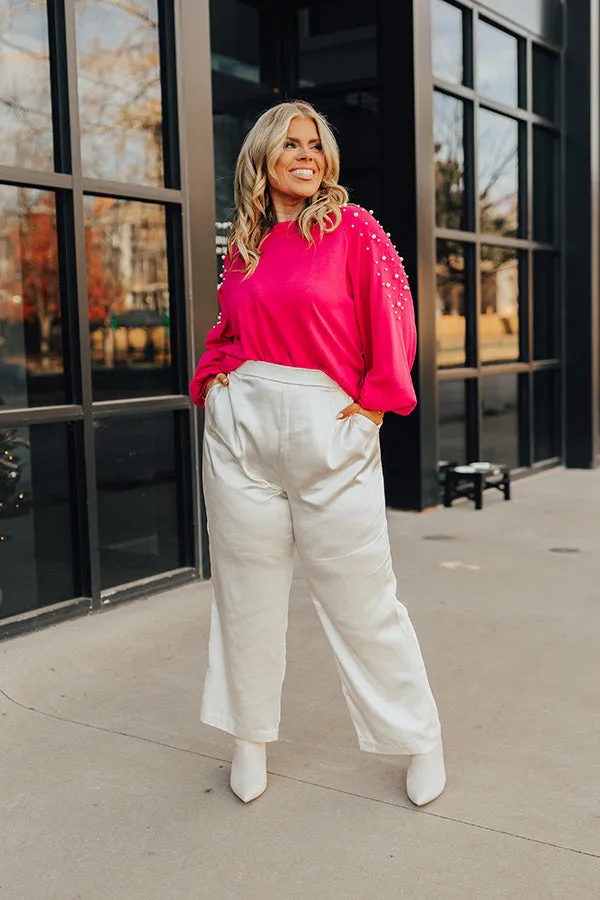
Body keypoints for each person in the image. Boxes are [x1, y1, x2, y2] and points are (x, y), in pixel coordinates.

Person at [190, 101, 445, 806]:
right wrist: (214, 388)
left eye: (316, 145)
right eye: (291, 144)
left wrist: (374, 409)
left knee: (363, 598)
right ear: (264, 157)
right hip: (243, 431)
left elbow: (395, 318)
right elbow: (229, 331)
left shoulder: (352, 229)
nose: (306, 154)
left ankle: (419, 736)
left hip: (328, 426)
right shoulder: (244, 244)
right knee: (245, 594)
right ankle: (248, 738)